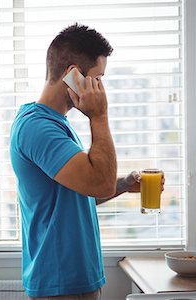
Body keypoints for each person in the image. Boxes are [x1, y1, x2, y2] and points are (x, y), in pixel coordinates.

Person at [9, 23, 147, 299]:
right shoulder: (39, 128)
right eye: (98, 78)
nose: (100, 88)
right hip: (60, 282)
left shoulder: (56, 124)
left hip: (72, 280)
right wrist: (99, 115)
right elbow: (99, 183)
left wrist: (122, 184)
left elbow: (80, 192)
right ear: (73, 74)